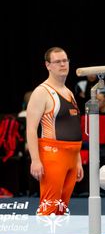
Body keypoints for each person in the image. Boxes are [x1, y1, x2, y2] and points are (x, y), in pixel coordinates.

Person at [26, 47, 83, 215]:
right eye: (58, 62)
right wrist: (35, 160)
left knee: (61, 208)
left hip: (72, 157)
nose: (63, 64)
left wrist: (78, 161)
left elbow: (74, 127)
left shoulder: (69, 92)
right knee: (49, 208)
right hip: (53, 155)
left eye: (65, 60)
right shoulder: (41, 92)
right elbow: (31, 129)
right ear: (48, 65)